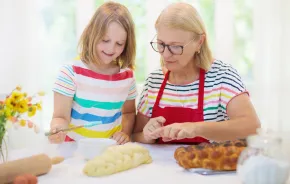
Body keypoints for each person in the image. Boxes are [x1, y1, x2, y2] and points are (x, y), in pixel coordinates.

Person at [132, 2, 260, 144]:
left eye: (175, 47)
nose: (166, 55)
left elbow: (252, 127)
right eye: (161, 44)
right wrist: (146, 136)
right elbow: (135, 135)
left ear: (199, 42)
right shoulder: (153, 82)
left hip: (208, 164)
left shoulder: (222, 76)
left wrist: (196, 128)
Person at [48, 2, 137, 145]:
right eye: (105, 40)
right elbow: (60, 117)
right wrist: (57, 128)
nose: (111, 48)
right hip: (75, 150)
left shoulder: (127, 77)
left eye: (119, 43)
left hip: (109, 150)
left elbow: (129, 113)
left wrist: (125, 133)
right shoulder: (70, 73)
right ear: (92, 34)